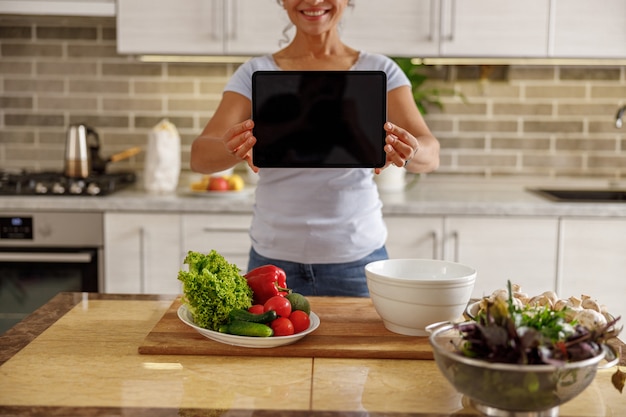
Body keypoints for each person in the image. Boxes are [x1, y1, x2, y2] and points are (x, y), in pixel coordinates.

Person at [190, 0, 440, 297]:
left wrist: (408, 149)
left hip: (358, 263)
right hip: (272, 265)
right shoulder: (255, 73)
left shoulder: (380, 70)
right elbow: (200, 156)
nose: (313, 1)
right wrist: (234, 146)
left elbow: (430, 152)